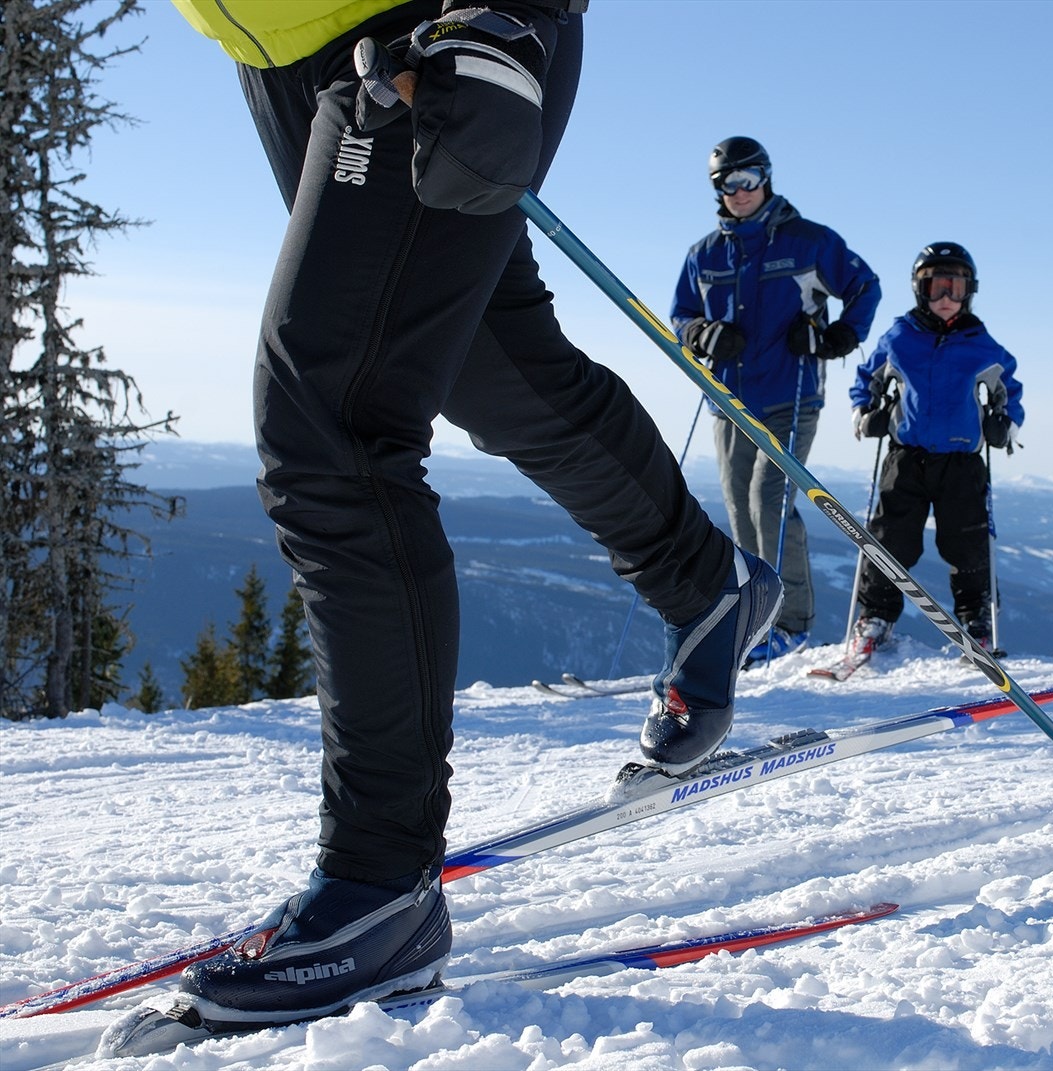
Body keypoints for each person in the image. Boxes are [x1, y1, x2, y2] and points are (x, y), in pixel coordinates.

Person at [168, 0, 780, 1026]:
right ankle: (703, 583)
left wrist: (505, 19)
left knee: (335, 424)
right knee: (490, 366)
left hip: (432, 32)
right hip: (278, 53)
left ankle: (380, 885)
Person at [671, 137, 880, 664]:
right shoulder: (705, 254)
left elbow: (864, 286)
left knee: (769, 499)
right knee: (740, 509)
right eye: (726, 183)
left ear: (766, 178)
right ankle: (754, 623)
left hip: (792, 394)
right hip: (728, 399)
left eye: (748, 179)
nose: (738, 191)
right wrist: (702, 333)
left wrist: (837, 338)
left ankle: (792, 623)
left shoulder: (809, 241)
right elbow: (681, 315)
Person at [847, 242, 1023, 656]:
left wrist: (1006, 422)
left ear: (969, 291)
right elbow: (866, 379)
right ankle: (875, 617)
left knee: (966, 541)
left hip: (961, 461)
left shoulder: (980, 344)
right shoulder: (900, 337)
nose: (946, 299)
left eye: (955, 288)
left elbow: (1009, 388)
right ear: (918, 290)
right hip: (905, 457)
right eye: (935, 288)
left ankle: (975, 618)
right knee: (892, 538)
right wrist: (865, 413)